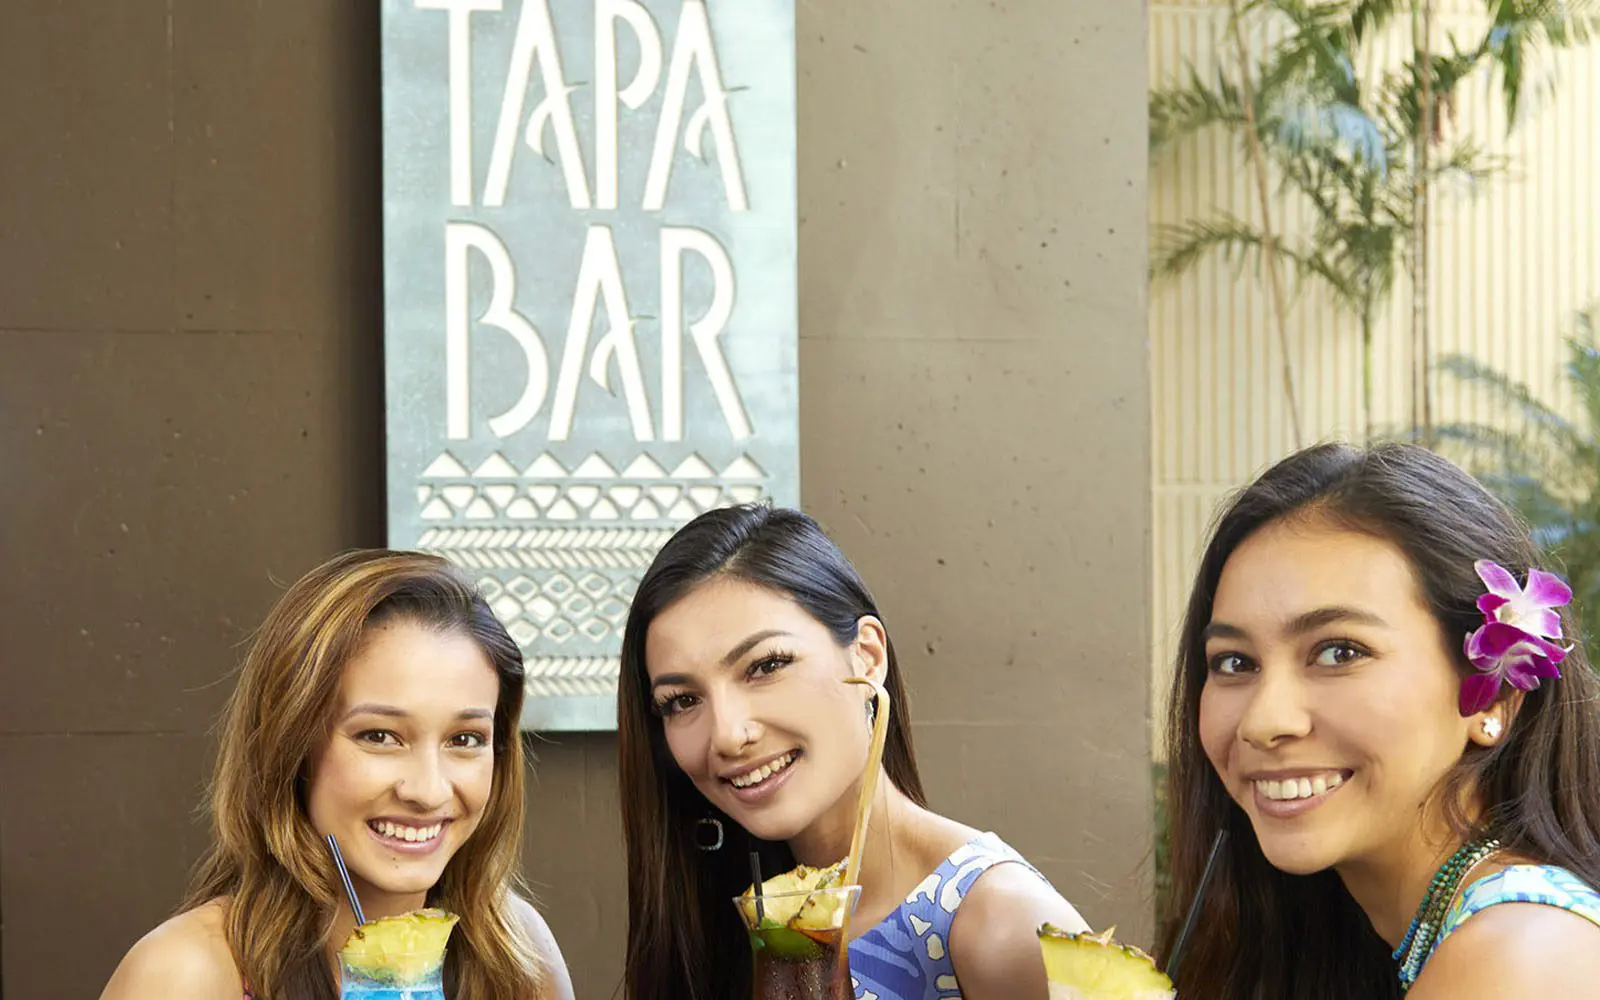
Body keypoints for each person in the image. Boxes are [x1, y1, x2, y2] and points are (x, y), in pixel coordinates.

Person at [1158, 442, 1600, 998]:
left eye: (1339, 652)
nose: (1263, 721)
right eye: (1234, 662)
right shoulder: (1377, 938)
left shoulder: (1518, 960)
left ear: (1495, 698)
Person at [617, 504, 1088, 1000]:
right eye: (683, 701)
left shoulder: (999, 922)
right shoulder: (721, 927)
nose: (729, 735)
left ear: (867, 658)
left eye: (766, 665)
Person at [100, 550, 575, 1000]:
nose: (428, 791)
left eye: (464, 739)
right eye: (379, 735)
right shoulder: (184, 974)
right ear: (291, 745)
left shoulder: (515, 951)